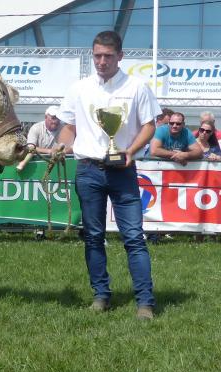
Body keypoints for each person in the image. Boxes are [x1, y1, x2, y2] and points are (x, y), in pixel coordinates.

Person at [57, 30, 161, 320]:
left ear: (120, 56)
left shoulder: (137, 87)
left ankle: (145, 302)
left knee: (134, 237)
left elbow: (149, 126)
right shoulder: (79, 88)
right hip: (88, 170)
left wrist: (131, 151)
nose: (101, 61)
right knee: (92, 236)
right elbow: (68, 127)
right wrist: (63, 146)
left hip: (123, 171)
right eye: (97, 55)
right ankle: (100, 295)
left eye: (107, 56)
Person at [22, 105, 65, 239]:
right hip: (39, 168)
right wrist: (49, 151)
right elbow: (30, 147)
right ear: (46, 117)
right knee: (39, 198)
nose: (55, 121)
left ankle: (65, 226)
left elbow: (70, 146)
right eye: (52, 118)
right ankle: (39, 229)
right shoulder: (36, 128)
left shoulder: (64, 129)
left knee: (58, 199)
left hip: (57, 168)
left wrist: (62, 152)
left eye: (57, 118)